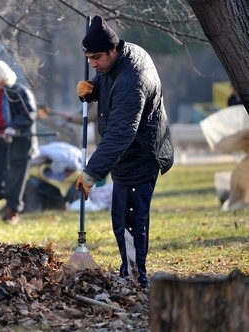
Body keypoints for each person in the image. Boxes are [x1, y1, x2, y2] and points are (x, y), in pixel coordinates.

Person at [74, 15, 174, 288]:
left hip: (141, 153)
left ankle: (135, 277)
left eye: (97, 57)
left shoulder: (133, 77)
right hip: (126, 153)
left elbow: (121, 131)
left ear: (113, 49)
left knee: (131, 219)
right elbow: (108, 83)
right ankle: (128, 271)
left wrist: (92, 172)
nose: (93, 64)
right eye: (88, 59)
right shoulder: (118, 61)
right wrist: (93, 90)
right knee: (121, 217)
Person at [0, 60, 38, 224]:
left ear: (5, 77)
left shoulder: (19, 93)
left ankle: (13, 211)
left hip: (19, 143)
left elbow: (29, 114)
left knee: (15, 178)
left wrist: (13, 127)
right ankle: (9, 201)